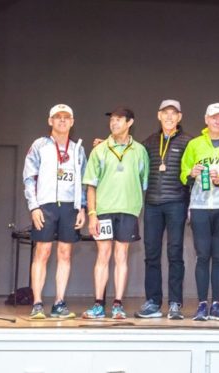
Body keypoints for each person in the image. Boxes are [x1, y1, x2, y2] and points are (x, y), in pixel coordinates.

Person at [82, 106, 149, 319]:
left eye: (119, 119)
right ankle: (98, 304)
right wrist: (92, 213)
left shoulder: (139, 151)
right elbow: (90, 185)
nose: (114, 123)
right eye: (112, 119)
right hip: (103, 211)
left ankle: (118, 304)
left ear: (130, 123)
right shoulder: (99, 150)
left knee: (122, 256)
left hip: (128, 211)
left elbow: (143, 182)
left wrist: (135, 205)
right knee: (103, 255)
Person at [180, 103, 219, 321]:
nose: (217, 121)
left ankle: (217, 304)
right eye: (213, 117)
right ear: (206, 119)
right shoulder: (195, 144)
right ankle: (201, 305)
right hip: (199, 207)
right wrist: (191, 172)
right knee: (202, 256)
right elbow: (183, 174)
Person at [23, 104, 86, 319]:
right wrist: (34, 206)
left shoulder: (78, 148)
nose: (62, 121)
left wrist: (82, 208)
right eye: (57, 117)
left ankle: (59, 303)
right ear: (50, 121)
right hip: (46, 205)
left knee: (65, 253)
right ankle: (38, 303)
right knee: (43, 252)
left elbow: (84, 181)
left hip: (70, 206)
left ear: (72, 121)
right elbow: (29, 178)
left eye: (66, 117)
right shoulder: (39, 145)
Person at [134, 100, 192, 320]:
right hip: (152, 205)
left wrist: (190, 207)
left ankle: (175, 303)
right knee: (151, 255)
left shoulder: (189, 142)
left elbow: (192, 177)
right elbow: (131, 157)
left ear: (179, 117)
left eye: (173, 113)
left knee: (175, 253)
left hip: (177, 202)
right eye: (165, 113)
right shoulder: (148, 142)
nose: (169, 117)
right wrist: (105, 144)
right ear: (159, 115)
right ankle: (153, 302)